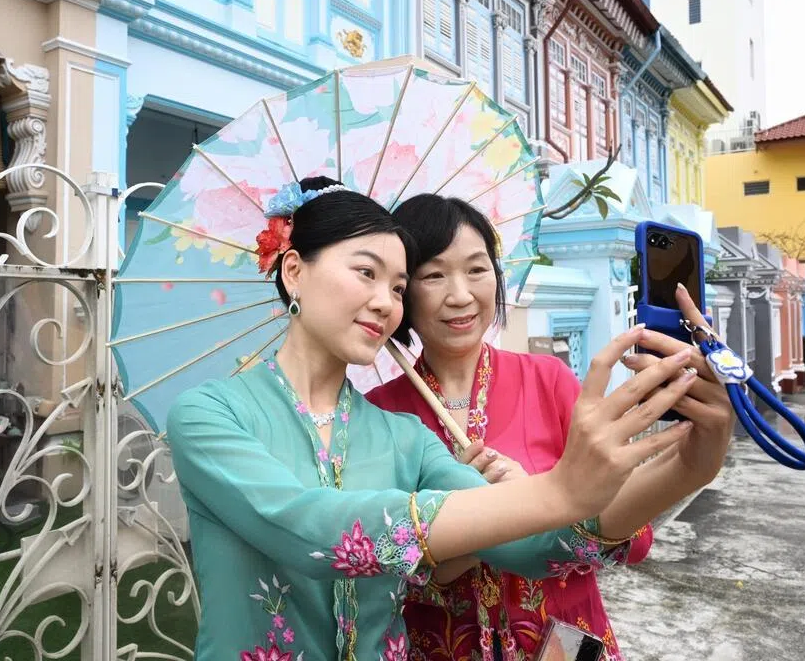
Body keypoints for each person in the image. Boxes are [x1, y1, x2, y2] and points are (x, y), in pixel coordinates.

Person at [168, 177, 701, 660]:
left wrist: (692, 460)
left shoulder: (404, 434)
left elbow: (536, 548)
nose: (385, 302)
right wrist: (561, 489)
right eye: (366, 273)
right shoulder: (208, 414)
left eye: (398, 287)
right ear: (293, 271)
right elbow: (311, 529)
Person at [367, 194, 736, 661]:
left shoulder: (548, 380)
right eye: (433, 275)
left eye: (477, 269)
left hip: (563, 640)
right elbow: (379, 576)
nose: (460, 295)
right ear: (402, 291)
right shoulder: (378, 413)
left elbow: (633, 537)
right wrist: (486, 520)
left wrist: (693, 461)